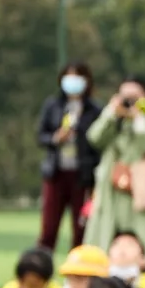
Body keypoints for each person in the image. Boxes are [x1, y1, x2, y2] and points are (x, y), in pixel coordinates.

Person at [83, 75, 145, 273]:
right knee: (105, 250)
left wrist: (139, 120)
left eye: (135, 97)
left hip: (142, 196)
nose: (130, 102)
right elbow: (94, 138)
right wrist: (111, 114)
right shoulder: (114, 123)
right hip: (111, 197)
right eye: (125, 97)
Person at [37, 62, 103, 250]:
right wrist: (56, 138)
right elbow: (41, 136)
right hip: (56, 173)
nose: (73, 82)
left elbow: (98, 142)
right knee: (48, 229)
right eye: (69, 76)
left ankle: (78, 273)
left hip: (82, 177)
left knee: (81, 230)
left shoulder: (94, 110)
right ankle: (41, 270)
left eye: (78, 77)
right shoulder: (53, 105)